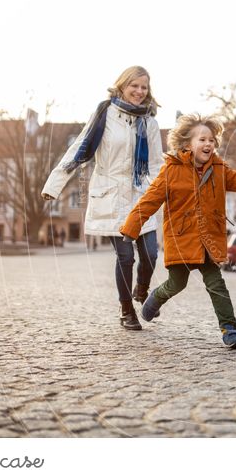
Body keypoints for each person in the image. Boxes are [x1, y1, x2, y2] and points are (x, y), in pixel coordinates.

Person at [120, 114, 236, 348]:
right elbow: (149, 202)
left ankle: (229, 329)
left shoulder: (219, 168)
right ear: (187, 144)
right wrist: (131, 229)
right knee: (176, 284)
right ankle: (154, 300)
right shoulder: (171, 170)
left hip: (209, 239)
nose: (208, 144)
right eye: (202, 139)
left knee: (216, 284)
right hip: (181, 239)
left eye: (211, 140)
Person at [42, 65, 164, 331]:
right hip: (110, 195)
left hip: (142, 196)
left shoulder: (150, 122)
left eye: (144, 87)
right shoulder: (105, 114)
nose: (139, 92)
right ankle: (126, 310)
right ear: (121, 85)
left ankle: (141, 288)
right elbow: (80, 147)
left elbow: (156, 164)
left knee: (151, 254)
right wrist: (54, 184)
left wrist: (162, 193)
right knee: (125, 258)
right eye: (134, 86)